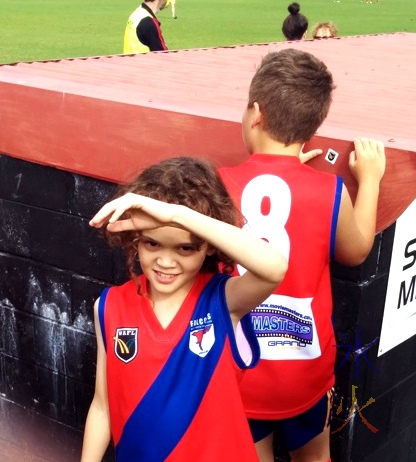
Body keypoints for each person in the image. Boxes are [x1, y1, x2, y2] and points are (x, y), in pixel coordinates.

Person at [218, 49, 386, 462]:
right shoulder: (330, 191)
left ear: (255, 113)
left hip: (240, 375)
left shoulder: (218, 185)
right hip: (305, 374)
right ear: (312, 126)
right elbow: (356, 249)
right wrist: (371, 180)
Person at [80, 156, 288, 462]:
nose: (166, 262)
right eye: (152, 244)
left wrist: (176, 215)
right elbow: (102, 405)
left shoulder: (223, 301)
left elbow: (274, 268)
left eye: (185, 247)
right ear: (135, 240)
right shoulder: (109, 307)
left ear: (207, 246)